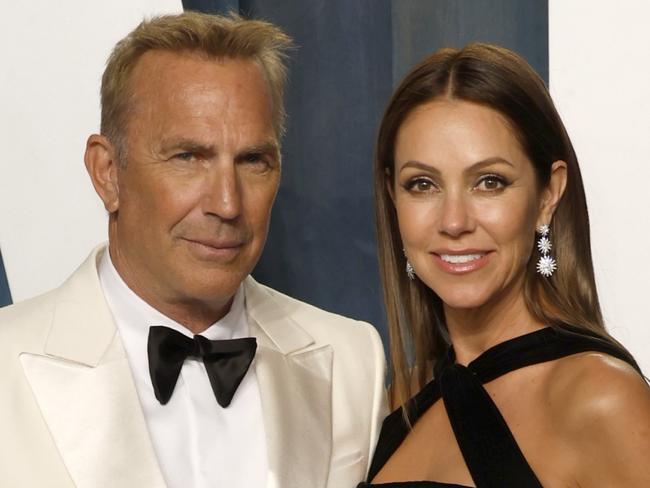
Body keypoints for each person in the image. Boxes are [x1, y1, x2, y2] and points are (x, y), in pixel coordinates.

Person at [0, 12, 387, 488]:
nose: (227, 203)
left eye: (252, 161)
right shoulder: (7, 358)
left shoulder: (352, 363)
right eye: (189, 157)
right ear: (107, 173)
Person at [359, 43, 650, 487]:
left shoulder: (600, 397)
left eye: (489, 182)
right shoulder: (397, 401)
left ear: (548, 195)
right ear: (392, 196)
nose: (454, 222)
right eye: (422, 184)